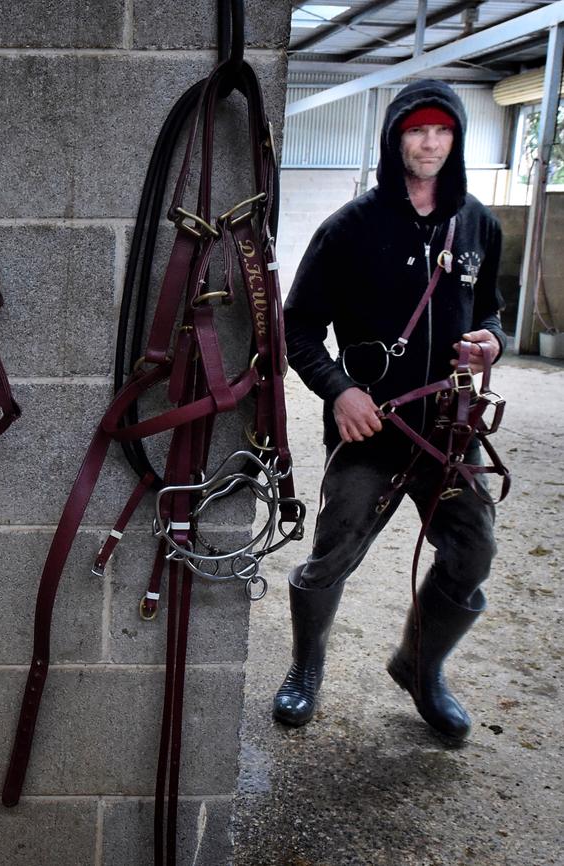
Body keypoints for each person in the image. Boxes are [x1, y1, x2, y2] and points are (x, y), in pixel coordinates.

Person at [273, 79, 506, 740]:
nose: (429, 142)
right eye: (416, 129)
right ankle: (305, 669)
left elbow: (491, 311)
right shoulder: (350, 227)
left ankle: (420, 668)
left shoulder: (479, 224)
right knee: (331, 555)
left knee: (473, 551)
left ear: (454, 139)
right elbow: (298, 329)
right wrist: (340, 390)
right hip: (372, 428)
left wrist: (491, 340)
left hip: (449, 430)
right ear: (396, 136)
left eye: (442, 130)